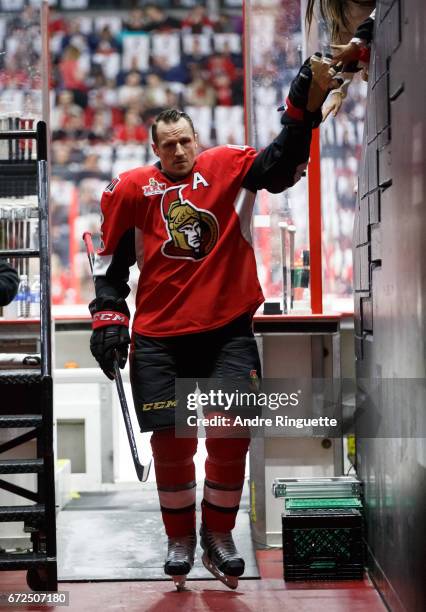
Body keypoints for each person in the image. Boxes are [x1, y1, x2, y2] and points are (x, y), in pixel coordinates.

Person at [88, 54, 340, 590]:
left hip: (227, 330)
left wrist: (300, 114)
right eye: (168, 144)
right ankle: (180, 539)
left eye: (186, 141)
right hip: (158, 338)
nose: (179, 151)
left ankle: (218, 535)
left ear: (197, 139)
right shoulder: (132, 189)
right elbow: (111, 269)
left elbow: (279, 165)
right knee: (173, 444)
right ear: (154, 149)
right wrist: (108, 319)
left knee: (231, 436)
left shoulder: (227, 166)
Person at [305, 0, 376, 119]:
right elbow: (343, 59)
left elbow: (381, 11)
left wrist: (356, 44)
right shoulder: (342, 14)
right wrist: (337, 92)